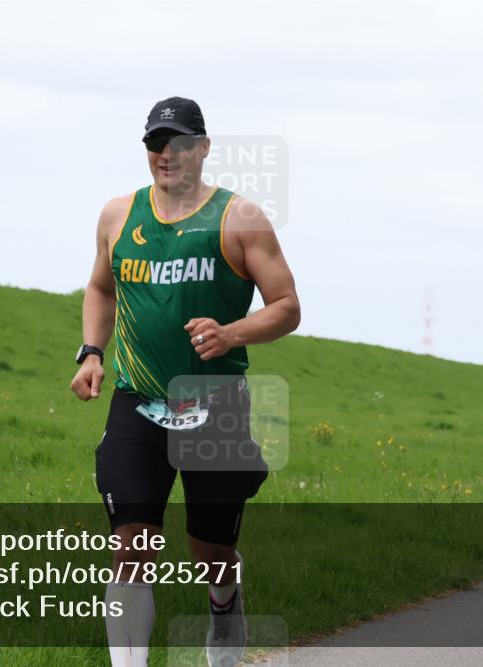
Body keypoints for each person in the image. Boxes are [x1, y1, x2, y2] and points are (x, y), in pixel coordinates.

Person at [69, 96, 300, 667]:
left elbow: (287, 307)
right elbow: (100, 287)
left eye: (178, 143)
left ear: (204, 148)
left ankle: (225, 602)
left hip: (215, 404)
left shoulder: (238, 218)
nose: (166, 154)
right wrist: (92, 351)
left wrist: (231, 333)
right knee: (132, 547)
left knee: (211, 551)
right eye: (156, 143)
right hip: (138, 401)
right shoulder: (118, 215)